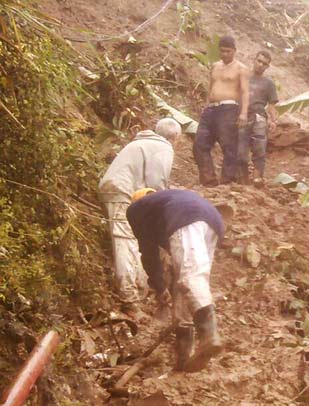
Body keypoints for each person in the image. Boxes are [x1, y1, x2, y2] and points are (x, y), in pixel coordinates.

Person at [127, 189, 225, 372]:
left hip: (188, 219)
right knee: (185, 284)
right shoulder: (167, 202)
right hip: (214, 222)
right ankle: (184, 356)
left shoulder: (136, 210)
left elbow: (149, 254)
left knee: (191, 276)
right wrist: (167, 286)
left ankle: (209, 333)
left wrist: (159, 287)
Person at [98, 118, 182, 317]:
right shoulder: (163, 147)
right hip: (122, 191)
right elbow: (156, 184)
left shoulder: (141, 142)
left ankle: (138, 290)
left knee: (132, 240)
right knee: (125, 242)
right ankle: (130, 301)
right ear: (175, 138)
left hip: (116, 188)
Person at [193, 35, 250, 186]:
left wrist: (243, 113)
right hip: (211, 109)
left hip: (229, 108)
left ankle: (227, 180)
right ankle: (209, 180)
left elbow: (245, 92)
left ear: (234, 51)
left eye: (228, 51)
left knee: (229, 145)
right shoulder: (215, 66)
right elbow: (211, 87)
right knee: (200, 143)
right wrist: (206, 106)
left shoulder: (241, 69)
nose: (225, 54)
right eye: (222, 51)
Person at [238, 50, 279, 182]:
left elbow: (272, 105)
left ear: (267, 66)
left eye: (264, 63)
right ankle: (242, 179)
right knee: (241, 150)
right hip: (242, 116)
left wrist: (273, 121)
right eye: (259, 61)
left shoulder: (269, 83)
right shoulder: (243, 77)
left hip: (259, 117)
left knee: (259, 148)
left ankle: (257, 178)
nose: (260, 65)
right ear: (254, 59)